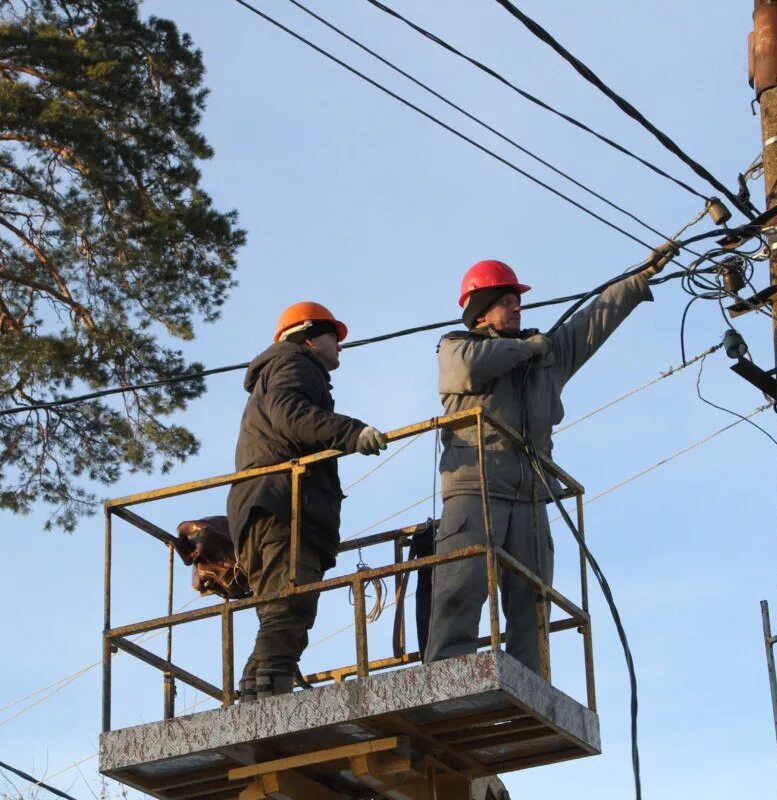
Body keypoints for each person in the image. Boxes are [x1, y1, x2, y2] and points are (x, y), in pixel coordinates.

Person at [425, 243, 677, 673]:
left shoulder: (546, 356)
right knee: (461, 585)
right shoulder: (457, 347)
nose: (516, 308)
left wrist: (639, 279)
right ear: (481, 312)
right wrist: (528, 349)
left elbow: (593, 320)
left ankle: (531, 679)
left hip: (530, 495)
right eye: (505, 302)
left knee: (533, 595)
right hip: (474, 488)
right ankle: (448, 673)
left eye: (517, 301)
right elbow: (467, 370)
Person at [227, 301, 387, 700]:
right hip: (284, 506)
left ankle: (254, 702)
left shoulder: (282, 369)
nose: (340, 344)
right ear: (309, 336)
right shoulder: (294, 365)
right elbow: (292, 415)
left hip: (267, 504)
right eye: (334, 335)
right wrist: (352, 432)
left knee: (281, 616)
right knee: (288, 611)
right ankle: (265, 707)